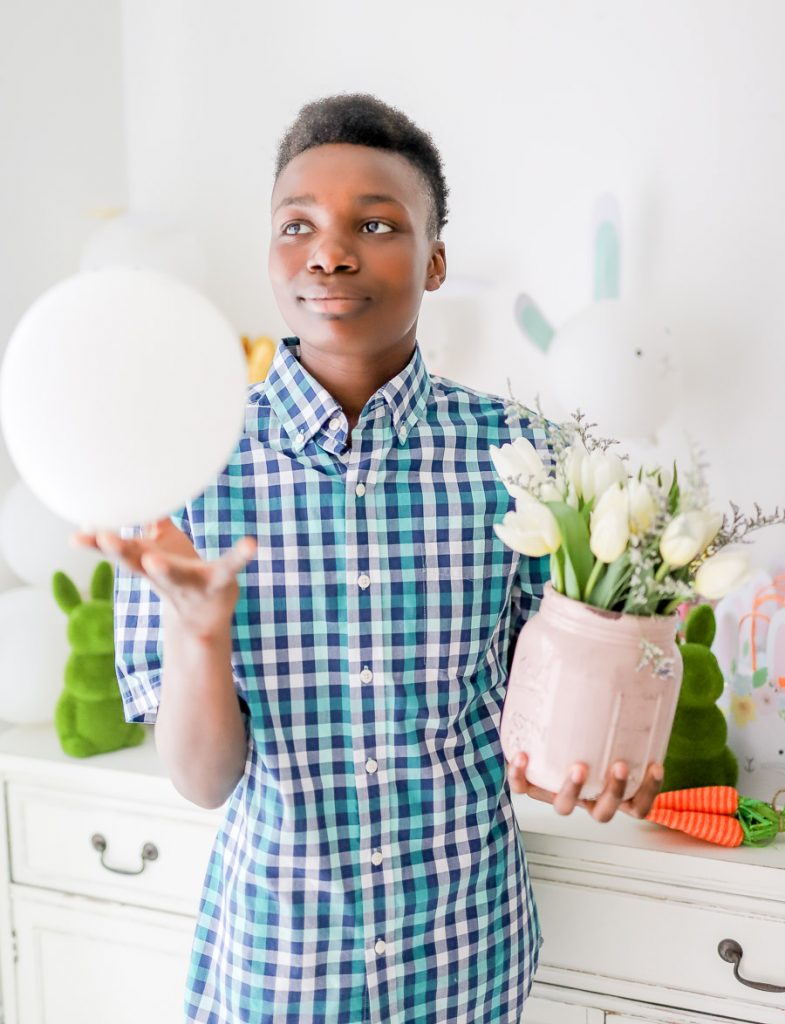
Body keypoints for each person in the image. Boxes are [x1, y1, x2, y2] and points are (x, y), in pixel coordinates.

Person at [75, 93, 663, 1024]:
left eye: (375, 223)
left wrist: (608, 756)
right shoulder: (186, 467)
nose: (330, 251)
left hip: (468, 951)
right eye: (295, 225)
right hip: (281, 963)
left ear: (433, 261)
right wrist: (197, 633)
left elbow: (549, 721)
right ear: (270, 254)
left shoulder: (528, 462)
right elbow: (202, 780)